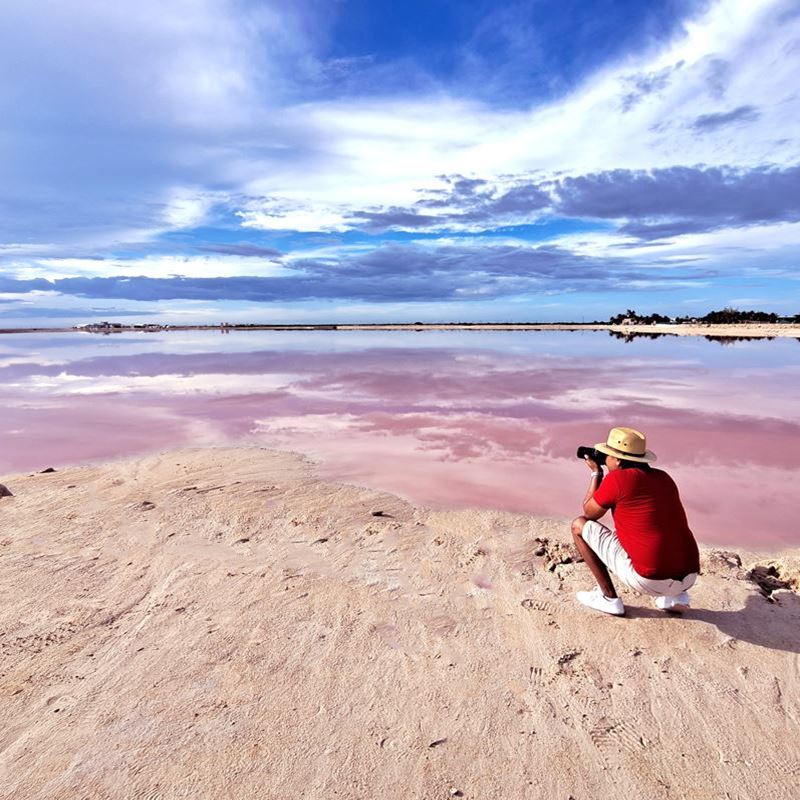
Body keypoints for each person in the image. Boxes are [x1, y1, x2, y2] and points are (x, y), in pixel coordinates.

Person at [570, 426, 699, 617]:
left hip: (650, 579)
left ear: (618, 460)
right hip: (689, 576)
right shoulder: (665, 477)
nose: (605, 459)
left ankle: (608, 598)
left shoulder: (618, 479)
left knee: (578, 525)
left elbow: (589, 513)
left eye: (608, 455)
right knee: (660, 527)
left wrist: (596, 473)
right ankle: (676, 597)